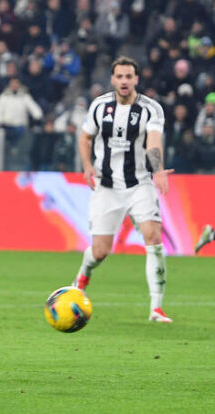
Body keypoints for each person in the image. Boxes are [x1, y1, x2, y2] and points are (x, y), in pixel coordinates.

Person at [72, 56, 174, 323]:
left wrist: (158, 170)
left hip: (140, 184)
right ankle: (81, 277)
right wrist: (87, 166)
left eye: (129, 76)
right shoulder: (99, 106)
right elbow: (85, 138)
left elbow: (153, 142)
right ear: (113, 79)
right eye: (120, 76)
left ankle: (157, 308)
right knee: (100, 252)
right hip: (106, 187)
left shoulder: (151, 109)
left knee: (153, 238)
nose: (125, 81)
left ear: (136, 80)